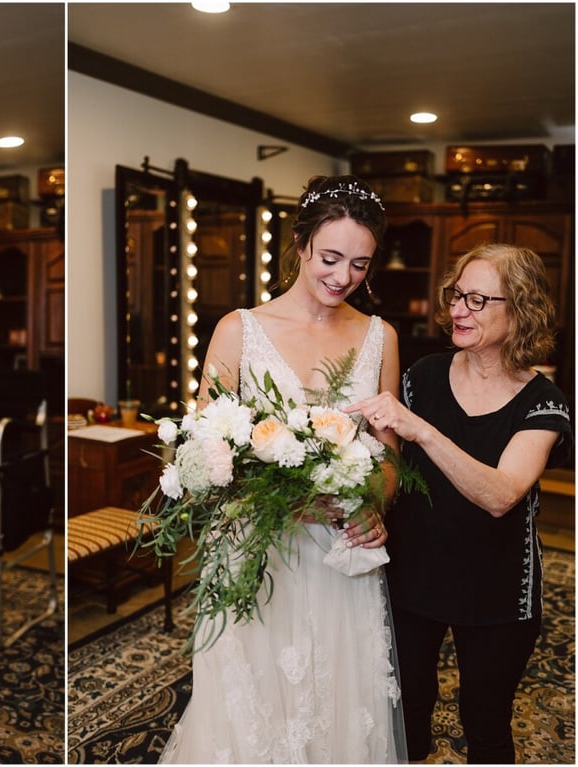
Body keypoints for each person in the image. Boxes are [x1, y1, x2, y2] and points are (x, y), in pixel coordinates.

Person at [160, 175, 407, 763]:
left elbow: (391, 455)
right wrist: (285, 500)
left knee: (335, 705)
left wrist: (375, 505)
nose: (343, 277)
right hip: (256, 552)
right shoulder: (239, 330)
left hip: (338, 557)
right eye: (330, 258)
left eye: (360, 264)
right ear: (299, 245)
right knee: (253, 707)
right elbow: (204, 453)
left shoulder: (380, 337)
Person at [347, 243, 573, 764]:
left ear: (520, 310)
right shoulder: (423, 375)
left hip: (498, 593)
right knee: (404, 713)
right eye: (456, 295)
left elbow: (502, 495)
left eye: (477, 300)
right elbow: (384, 461)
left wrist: (422, 430)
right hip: (412, 578)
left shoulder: (543, 402)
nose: (458, 310)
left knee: (486, 721)